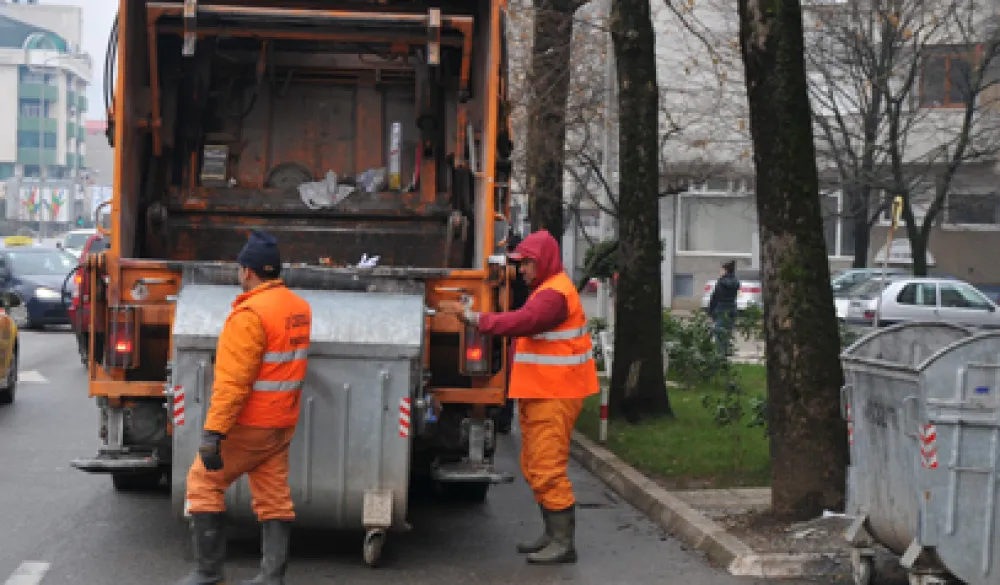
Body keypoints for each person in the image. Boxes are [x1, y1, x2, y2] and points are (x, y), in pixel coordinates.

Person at [445, 229, 598, 565]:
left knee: (547, 467)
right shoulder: (547, 290)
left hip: (555, 392)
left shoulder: (554, 295)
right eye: (519, 264)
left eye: (526, 263)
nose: (521, 270)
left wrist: (477, 319)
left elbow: (524, 322)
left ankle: (563, 543)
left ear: (543, 261)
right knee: (533, 465)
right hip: (543, 391)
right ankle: (552, 534)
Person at [175, 230, 312, 585]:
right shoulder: (299, 309)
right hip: (281, 424)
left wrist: (214, 433)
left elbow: (233, 384)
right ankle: (271, 577)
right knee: (273, 496)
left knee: (203, 483)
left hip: (250, 423)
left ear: (248, 272)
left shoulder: (249, 316)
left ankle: (208, 572)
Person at [708, 260, 740, 356]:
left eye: (722, 269)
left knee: (719, 331)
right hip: (732, 308)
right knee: (728, 331)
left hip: (721, 308)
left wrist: (711, 310)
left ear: (725, 270)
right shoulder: (736, 282)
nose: (720, 271)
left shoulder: (721, 282)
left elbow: (716, 296)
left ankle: (720, 352)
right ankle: (726, 350)